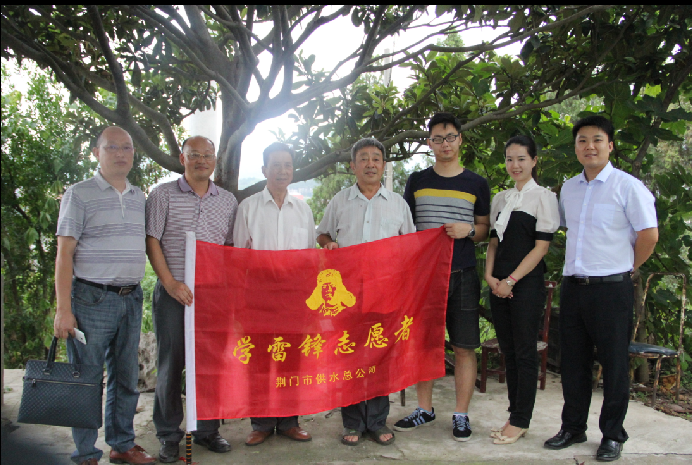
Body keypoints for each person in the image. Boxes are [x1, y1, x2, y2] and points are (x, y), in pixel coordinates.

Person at [544, 116, 658, 462]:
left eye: (596, 139)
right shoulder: (569, 189)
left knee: (614, 364)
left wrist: (628, 266)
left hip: (611, 289)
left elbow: (649, 235)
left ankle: (612, 434)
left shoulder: (628, 187)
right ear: (575, 147)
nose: (589, 146)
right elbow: (564, 227)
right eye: (582, 140)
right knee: (573, 363)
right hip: (574, 287)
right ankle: (573, 427)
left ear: (610, 145)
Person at [54, 126, 155, 465]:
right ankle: (85, 452)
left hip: (131, 298)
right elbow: (64, 254)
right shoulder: (79, 194)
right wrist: (63, 309)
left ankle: (122, 444)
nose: (121, 153)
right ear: (96, 152)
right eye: (112, 147)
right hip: (91, 299)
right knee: (86, 379)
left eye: (127, 147)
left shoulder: (139, 197)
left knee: (126, 378)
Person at [396, 112, 490, 442]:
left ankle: (461, 414)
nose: (445, 144)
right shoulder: (417, 181)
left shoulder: (476, 183)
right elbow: (405, 227)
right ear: (429, 143)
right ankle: (424, 409)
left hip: (462, 274)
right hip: (423, 277)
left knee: (464, 346)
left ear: (460, 139)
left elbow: (485, 228)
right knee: (423, 345)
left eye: (450, 137)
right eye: (438, 138)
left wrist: (469, 231)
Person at [316, 137, 415, 447]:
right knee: (349, 355)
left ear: (383, 165)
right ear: (353, 165)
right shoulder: (340, 201)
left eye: (376, 159)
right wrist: (329, 244)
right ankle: (353, 422)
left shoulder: (398, 203)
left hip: (386, 292)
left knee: (379, 355)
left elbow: (411, 246)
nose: (370, 164)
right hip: (347, 294)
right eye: (363, 158)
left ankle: (377, 421)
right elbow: (322, 234)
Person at [145, 136, 237, 462]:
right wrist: (170, 283)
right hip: (173, 295)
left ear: (215, 160)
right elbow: (152, 241)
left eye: (207, 155)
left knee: (210, 365)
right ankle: (169, 435)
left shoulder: (227, 201)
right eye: (194, 155)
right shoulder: (162, 195)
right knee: (171, 365)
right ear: (183, 159)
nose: (202, 160)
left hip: (212, 298)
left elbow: (229, 248)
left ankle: (207, 430)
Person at [233, 142, 315, 447]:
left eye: (288, 165)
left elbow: (310, 257)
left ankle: (290, 421)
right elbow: (239, 258)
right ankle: (262, 424)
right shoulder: (249, 207)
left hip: (294, 297)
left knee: (291, 360)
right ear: (264, 169)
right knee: (260, 361)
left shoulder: (303, 209)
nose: (282, 171)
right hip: (259, 296)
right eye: (276, 165)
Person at [484, 135, 560, 444]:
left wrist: (511, 280)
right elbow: (493, 242)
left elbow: (541, 248)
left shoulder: (543, 197)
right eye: (509, 159)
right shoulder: (501, 199)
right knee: (509, 351)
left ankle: (521, 419)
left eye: (521, 159)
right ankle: (513, 414)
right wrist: (490, 276)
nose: (514, 165)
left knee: (525, 351)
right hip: (498, 284)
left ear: (534, 161)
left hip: (525, 285)